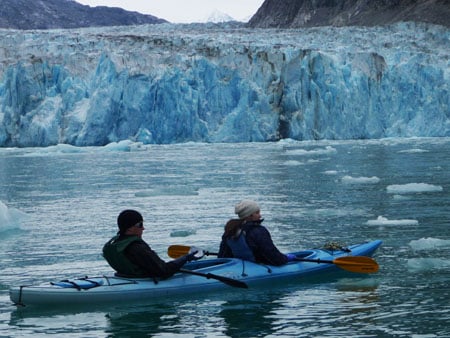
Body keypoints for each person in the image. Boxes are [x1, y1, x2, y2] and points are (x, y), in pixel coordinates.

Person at [103, 209, 201, 279]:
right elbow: (164, 271)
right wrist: (186, 258)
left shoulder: (115, 243)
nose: (143, 228)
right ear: (129, 228)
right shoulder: (137, 247)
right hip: (142, 281)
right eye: (140, 225)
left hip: (123, 277)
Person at [218, 200, 297, 266]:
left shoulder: (231, 230)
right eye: (257, 213)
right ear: (250, 215)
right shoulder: (258, 231)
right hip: (257, 267)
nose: (260, 215)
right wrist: (286, 259)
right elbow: (274, 257)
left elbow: (222, 256)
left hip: (237, 267)